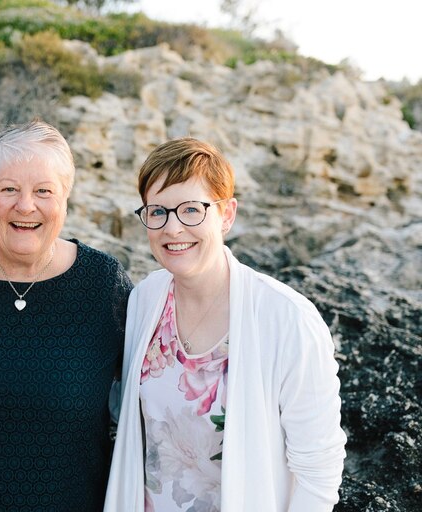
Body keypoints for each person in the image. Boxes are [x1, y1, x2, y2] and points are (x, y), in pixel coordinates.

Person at [105, 138, 347, 512]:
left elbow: (319, 467)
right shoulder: (145, 299)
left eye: (191, 210)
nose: (173, 229)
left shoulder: (287, 318)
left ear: (227, 214)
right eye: (158, 212)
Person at [0, 120, 133, 511]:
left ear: (65, 199)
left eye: (44, 191)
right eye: (9, 189)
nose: (26, 205)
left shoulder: (104, 285)